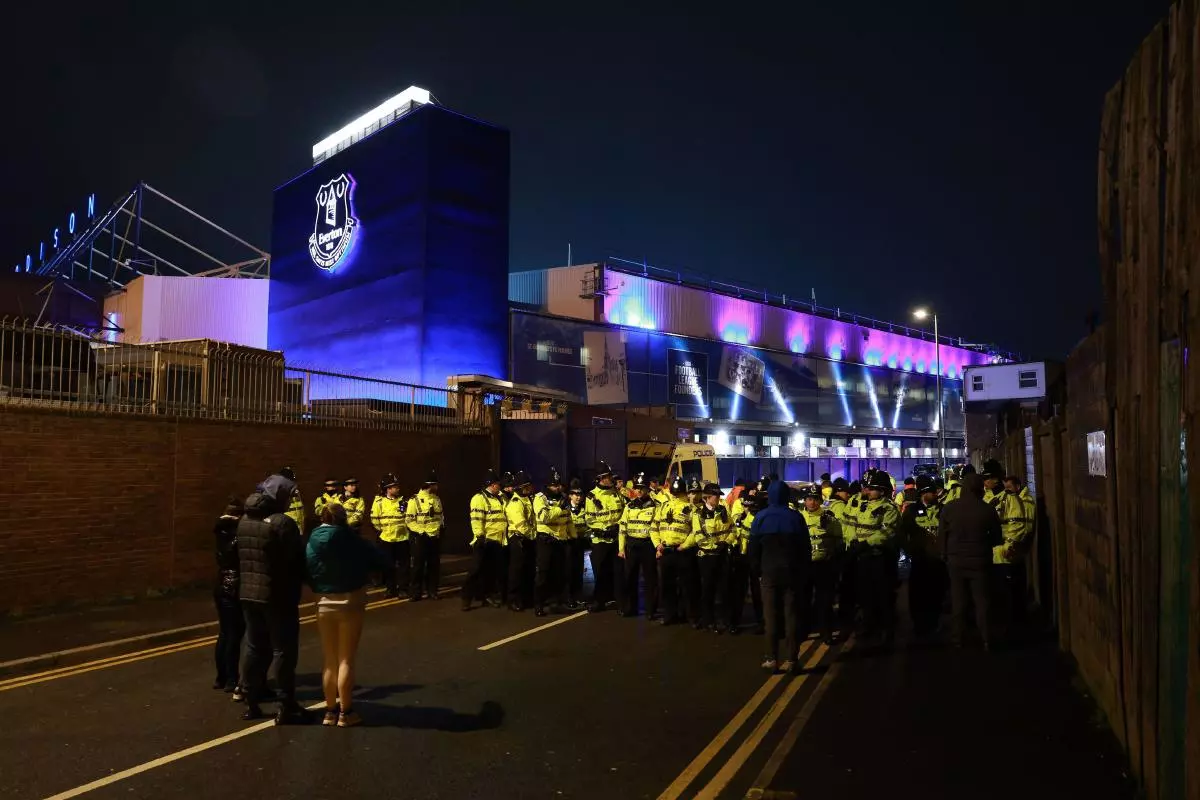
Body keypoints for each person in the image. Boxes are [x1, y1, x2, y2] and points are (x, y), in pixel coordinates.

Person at [306, 503, 386, 728]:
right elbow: (381, 560)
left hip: (323, 602)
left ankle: (329, 711)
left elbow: (306, 569)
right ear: (344, 519)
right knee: (346, 659)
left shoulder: (312, 541)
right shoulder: (353, 540)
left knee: (329, 660)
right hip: (351, 602)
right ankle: (346, 712)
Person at [237, 472, 308, 724]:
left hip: (248, 594)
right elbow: (296, 559)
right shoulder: (282, 523)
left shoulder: (244, 520)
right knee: (283, 650)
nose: (291, 501)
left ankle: (251, 701)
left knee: (254, 647)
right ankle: (286, 705)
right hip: (278, 595)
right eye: (289, 496)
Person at [750, 479, 810, 673]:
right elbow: (805, 548)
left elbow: (753, 549)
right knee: (791, 615)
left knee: (770, 616)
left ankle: (771, 658)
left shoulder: (760, 517)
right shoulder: (796, 517)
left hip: (769, 572)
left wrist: (757, 572)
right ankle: (792, 659)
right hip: (791, 572)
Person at [939, 472, 1002, 649]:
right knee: (982, 600)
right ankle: (986, 638)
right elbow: (997, 537)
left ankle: (958, 638)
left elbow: (942, 535)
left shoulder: (950, 508)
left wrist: (944, 554)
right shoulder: (987, 509)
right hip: (980, 560)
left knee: (958, 600)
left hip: (956, 560)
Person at [904, 478, 947, 638]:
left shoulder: (943, 509)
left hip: (937, 560)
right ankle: (919, 624)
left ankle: (934, 622)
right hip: (919, 559)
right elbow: (903, 532)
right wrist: (910, 549)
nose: (935, 494)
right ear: (923, 493)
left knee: (936, 593)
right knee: (918, 593)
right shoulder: (911, 511)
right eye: (932, 492)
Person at [798, 485, 841, 645]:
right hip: (805, 565)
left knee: (824, 601)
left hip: (823, 565)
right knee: (803, 600)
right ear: (805, 501)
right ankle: (803, 630)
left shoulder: (828, 517)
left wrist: (832, 555)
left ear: (820, 500)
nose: (812, 502)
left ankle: (826, 632)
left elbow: (838, 538)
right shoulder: (799, 518)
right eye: (809, 499)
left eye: (815, 499)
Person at [690, 483, 732, 632]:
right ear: (707, 498)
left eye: (719, 496)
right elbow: (698, 536)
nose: (718, 498)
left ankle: (724, 620)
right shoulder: (698, 514)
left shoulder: (723, 510)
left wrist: (726, 542)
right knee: (708, 590)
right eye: (716, 496)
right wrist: (714, 546)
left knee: (724, 589)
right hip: (707, 557)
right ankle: (708, 620)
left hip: (722, 555)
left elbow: (732, 529)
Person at [213, 496, 244, 694]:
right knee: (234, 634)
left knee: (224, 633)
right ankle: (232, 679)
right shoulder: (236, 532)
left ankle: (221, 677)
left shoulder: (219, 529)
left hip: (220, 583)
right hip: (234, 585)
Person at [464, 470, 508, 611]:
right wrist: (479, 536)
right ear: (492, 485)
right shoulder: (479, 499)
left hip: (497, 541)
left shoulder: (499, 498)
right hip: (484, 540)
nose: (500, 487)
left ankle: (487, 596)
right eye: (498, 484)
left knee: (491, 571)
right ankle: (466, 598)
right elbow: (476, 519)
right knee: (475, 570)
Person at [533, 467, 575, 616]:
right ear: (547, 485)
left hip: (561, 540)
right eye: (554, 485)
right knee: (543, 573)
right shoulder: (540, 498)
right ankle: (538, 605)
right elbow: (544, 517)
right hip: (546, 540)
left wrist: (573, 536)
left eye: (558, 485)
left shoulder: (563, 498)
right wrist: (559, 508)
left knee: (560, 574)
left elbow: (568, 519)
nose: (557, 488)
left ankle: (557, 602)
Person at [585, 462, 625, 613]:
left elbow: (624, 513)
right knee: (601, 573)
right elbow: (590, 519)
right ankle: (599, 601)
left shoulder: (617, 493)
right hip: (600, 540)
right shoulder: (592, 496)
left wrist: (617, 527)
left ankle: (620, 603)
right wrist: (604, 529)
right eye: (607, 476)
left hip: (616, 538)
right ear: (600, 479)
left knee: (618, 572)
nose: (610, 478)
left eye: (609, 475)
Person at [619, 474, 660, 619]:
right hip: (632, 545)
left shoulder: (655, 506)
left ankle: (650, 610)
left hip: (648, 545)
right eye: (637, 488)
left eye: (642, 488)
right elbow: (622, 527)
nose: (639, 491)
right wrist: (621, 548)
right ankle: (630, 608)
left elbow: (657, 527)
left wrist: (657, 547)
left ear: (647, 489)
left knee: (650, 579)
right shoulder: (629, 506)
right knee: (630, 578)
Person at [406, 471, 443, 601]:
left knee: (434, 565)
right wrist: (421, 531)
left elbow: (440, 517)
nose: (437, 487)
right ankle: (416, 593)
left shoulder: (437, 499)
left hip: (434, 536)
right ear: (430, 485)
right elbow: (409, 520)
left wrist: (438, 530)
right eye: (435, 484)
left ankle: (432, 591)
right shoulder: (414, 500)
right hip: (420, 537)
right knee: (418, 566)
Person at [371, 474, 409, 599]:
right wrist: (383, 531)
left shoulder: (403, 501)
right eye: (395, 487)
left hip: (402, 538)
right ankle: (390, 589)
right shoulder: (379, 502)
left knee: (403, 566)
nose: (398, 488)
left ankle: (403, 589)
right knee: (388, 566)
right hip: (386, 539)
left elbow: (408, 518)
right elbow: (375, 519)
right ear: (388, 489)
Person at [505, 471, 537, 611]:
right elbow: (522, 525)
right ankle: (513, 600)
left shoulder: (527, 499)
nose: (530, 488)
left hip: (527, 539)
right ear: (521, 487)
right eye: (527, 486)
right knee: (516, 571)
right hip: (518, 539)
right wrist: (534, 535)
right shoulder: (515, 503)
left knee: (528, 570)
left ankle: (526, 598)